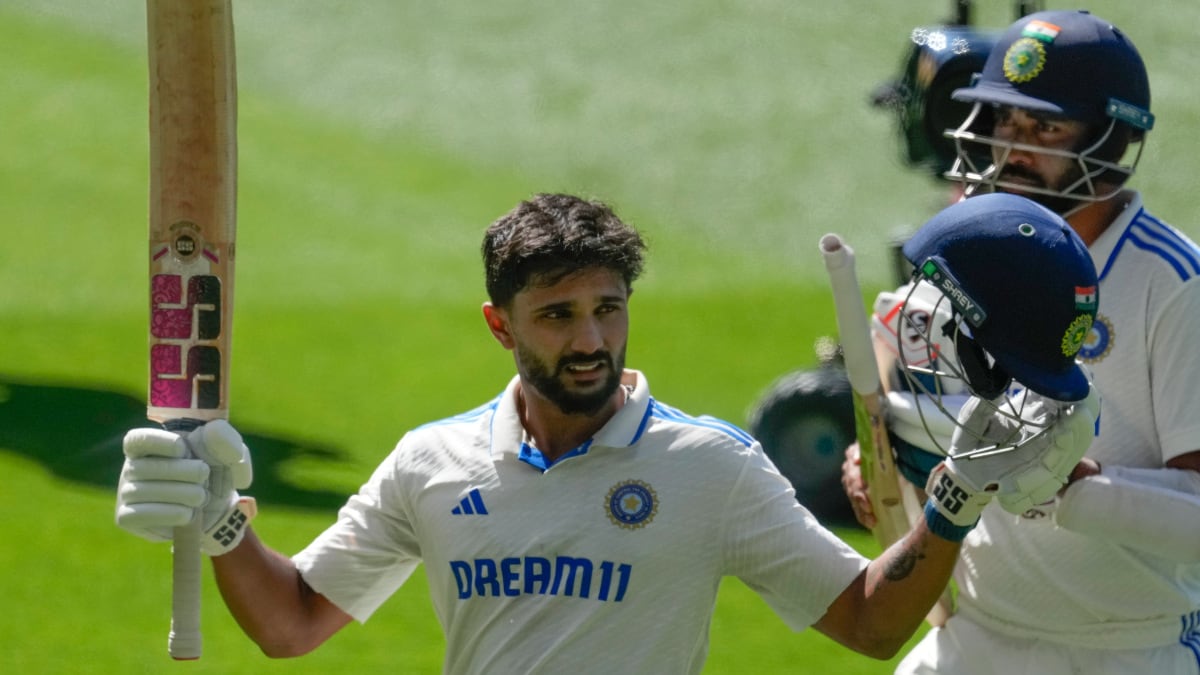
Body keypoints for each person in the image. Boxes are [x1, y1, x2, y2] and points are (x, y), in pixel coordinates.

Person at [116, 192, 1092, 672]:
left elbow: (875, 624)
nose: (590, 341)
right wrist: (223, 527)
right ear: (500, 324)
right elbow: (291, 621)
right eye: (557, 316)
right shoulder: (434, 462)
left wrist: (956, 501)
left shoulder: (709, 467)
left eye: (608, 308)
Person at [842, 9, 1200, 674]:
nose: (1014, 146)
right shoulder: (976, 239)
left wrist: (1071, 486)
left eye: (1045, 126)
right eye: (1005, 122)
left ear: (1112, 136)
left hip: (1127, 646)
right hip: (977, 631)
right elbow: (893, 332)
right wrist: (879, 455)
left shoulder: (1176, 283)